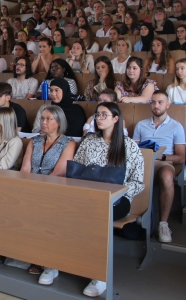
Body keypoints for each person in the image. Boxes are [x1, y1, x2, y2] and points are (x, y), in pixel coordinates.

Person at [76, 101, 145, 297]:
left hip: (117, 200)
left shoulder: (129, 145)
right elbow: (78, 171)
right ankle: (56, 263)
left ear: (116, 119)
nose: (98, 118)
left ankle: (100, 276)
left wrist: (117, 193)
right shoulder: (89, 141)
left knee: (96, 217)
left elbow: (138, 181)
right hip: (88, 196)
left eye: (104, 115)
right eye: (97, 115)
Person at [21, 105, 76, 284]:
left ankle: (49, 262)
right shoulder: (34, 141)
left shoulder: (68, 143)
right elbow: (25, 169)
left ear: (59, 123)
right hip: (31, 188)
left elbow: (59, 172)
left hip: (54, 190)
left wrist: (38, 190)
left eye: (48, 119)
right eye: (42, 119)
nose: (43, 122)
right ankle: (24, 253)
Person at [133, 91, 186, 244]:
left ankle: (163, 224)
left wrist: (161, 156)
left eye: (160, 102)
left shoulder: (176, 127)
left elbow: (181, 157)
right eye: (154, 102)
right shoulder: (141, 125)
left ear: (167, 105)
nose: (156, 105)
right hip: (143, 161)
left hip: (164, 162)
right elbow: (134, 149)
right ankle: (134, 219)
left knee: (167, 176)